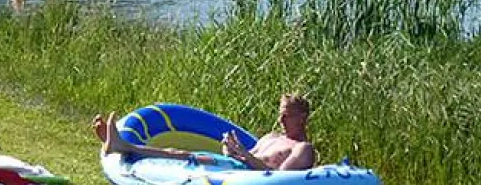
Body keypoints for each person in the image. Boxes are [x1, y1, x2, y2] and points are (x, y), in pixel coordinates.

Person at [93, 94, 317, 172]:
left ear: (302, 118)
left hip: (247, 177)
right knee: (179, 154)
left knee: (180, 155)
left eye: (287, 116)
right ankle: (120, 144)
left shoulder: (303, 149)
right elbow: (247, 156)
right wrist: (230, 150)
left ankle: (122, 145)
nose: (280, 120)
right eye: (280, 114)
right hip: (234, 168)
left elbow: (282, 178)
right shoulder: (271, 137)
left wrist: (245, 156)